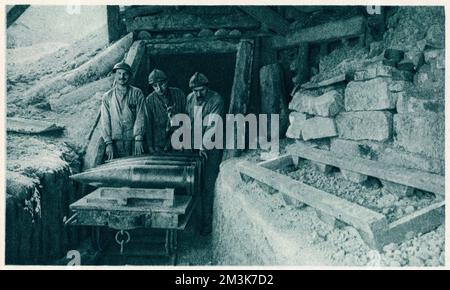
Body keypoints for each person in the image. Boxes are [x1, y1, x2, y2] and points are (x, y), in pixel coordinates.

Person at [186, 72, 224, 235]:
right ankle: (195, 223)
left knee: (208, 186)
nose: (198, 94)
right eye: (195, 90)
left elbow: (213, 126)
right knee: (194, 185)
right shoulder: (189, 99)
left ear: (207, 88)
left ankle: (208, 225)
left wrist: (204, 145)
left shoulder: (216, 99)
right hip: (195, 148)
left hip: (211, 149)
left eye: (201, 90)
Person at [100, 62, 145, 161]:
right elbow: (105, 120)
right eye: (119, 73)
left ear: (129, 76)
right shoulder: (108, 96)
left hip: (133, 141)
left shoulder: (137, 93)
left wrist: (138, 138)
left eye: (125, 74)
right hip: (116, 142)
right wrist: (108, 142)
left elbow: (140, 116)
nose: (122, 76)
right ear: (114, 75)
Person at [145, 69, 186, 152]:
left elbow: (186, 117)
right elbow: (148, 124)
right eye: (155, 86)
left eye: (161, 84)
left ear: (167, 81)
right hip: (159, 144)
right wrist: (150, 146)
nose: (159, 88)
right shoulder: (149, 100)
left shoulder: (179, 94)